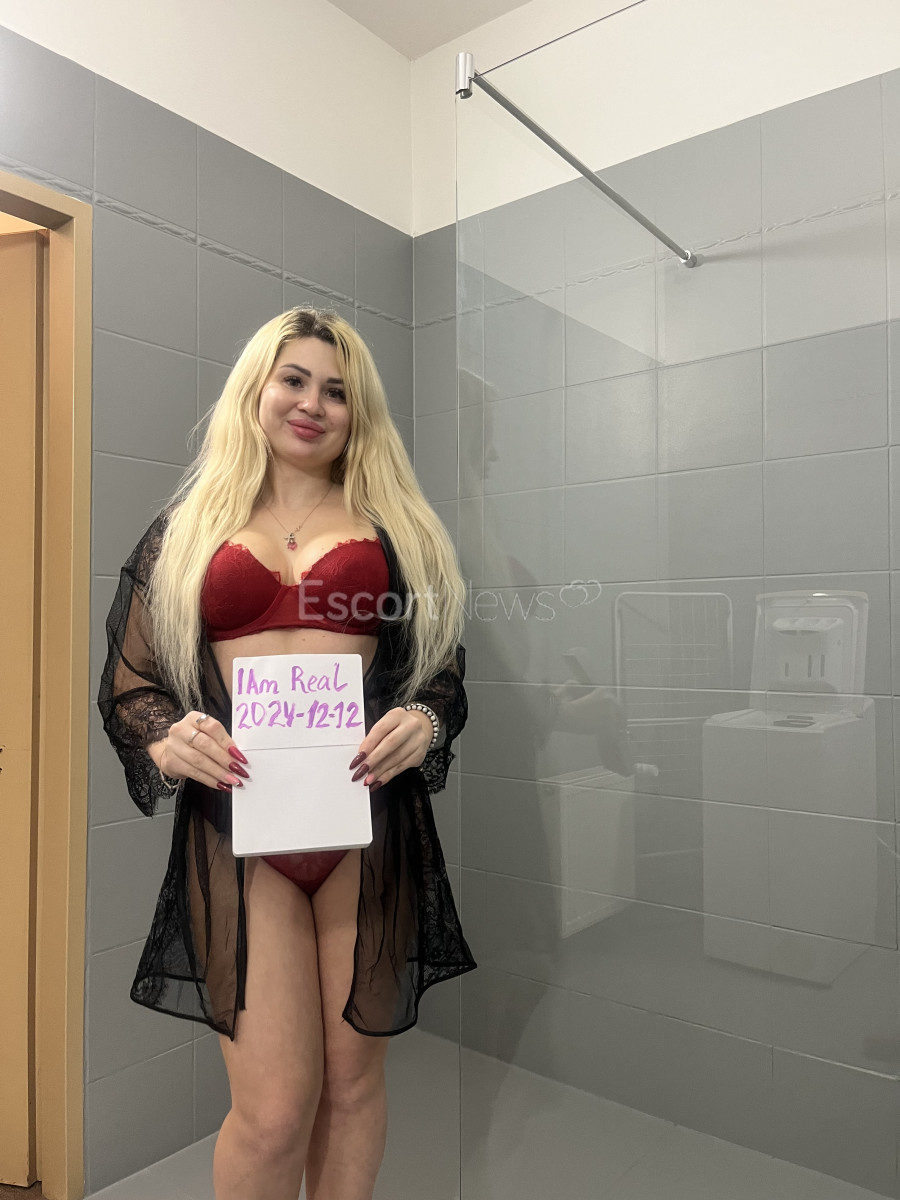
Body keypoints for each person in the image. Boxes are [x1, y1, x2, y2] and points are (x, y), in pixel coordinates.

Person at [96, 306, 476, 1200]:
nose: (313, 404)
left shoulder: (396, 529)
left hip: (366, 820)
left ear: (358, 411)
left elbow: (441, 670)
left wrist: (425, 722)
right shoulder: (189, 528)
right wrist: (165, 735)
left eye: (337, 391)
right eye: (294, 380)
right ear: (256, 390)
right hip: (240, 824)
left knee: (352, 1088)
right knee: (272, 1113)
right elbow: (131, 682)